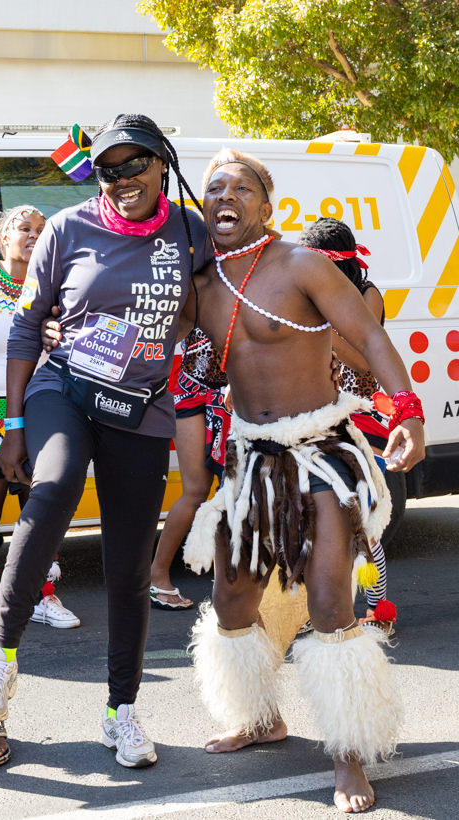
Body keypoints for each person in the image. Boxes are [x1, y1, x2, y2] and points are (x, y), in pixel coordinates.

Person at [0, 113, 213, 769]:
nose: (122, 177)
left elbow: (217, 308)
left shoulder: (190, 230)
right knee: (57, 482)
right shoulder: (70, 229)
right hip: (63, 387)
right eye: (108, 167)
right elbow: (25, 329)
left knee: (130, 562)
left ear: (162, 163)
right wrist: (13, 424)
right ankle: (0, 657)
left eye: (135, 163)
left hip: (139, 406)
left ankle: (120, 713)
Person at [183, 148, 424, 813]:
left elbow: (371, 339)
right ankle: (259, 717)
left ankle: (349, 754)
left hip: (321, 451)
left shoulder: (303, 266)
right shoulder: (200, 285)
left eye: (240, 187)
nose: (224, 197)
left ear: (269, 204)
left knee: (329, 606)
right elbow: (151, 350)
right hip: (251, 460)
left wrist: (408, 414)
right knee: (232, 602)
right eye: (213, 189)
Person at [0, 205, 80, 629]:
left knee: (40, 508)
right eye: (23, 227)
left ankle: (42, 596)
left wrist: (55, 326)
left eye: (41, 230)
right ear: (2, 236)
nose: (33, 234)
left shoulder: (56, 285)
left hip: (39, 407)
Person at [298, 218, 396, 635]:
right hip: (317, 413)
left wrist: (319, 323)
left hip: (361, 417)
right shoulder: (308, 292)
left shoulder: (367, 295)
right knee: (311, 520)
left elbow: (363, 357)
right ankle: (314, 609)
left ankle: (378, 608)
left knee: (361, 520)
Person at [150, 328, 228, 609]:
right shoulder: (192, 284)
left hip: (237, 393)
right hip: (191, 390)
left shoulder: (252, 284)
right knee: (196, 491)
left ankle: (227, 592)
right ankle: (156, 576)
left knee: (233, 490)